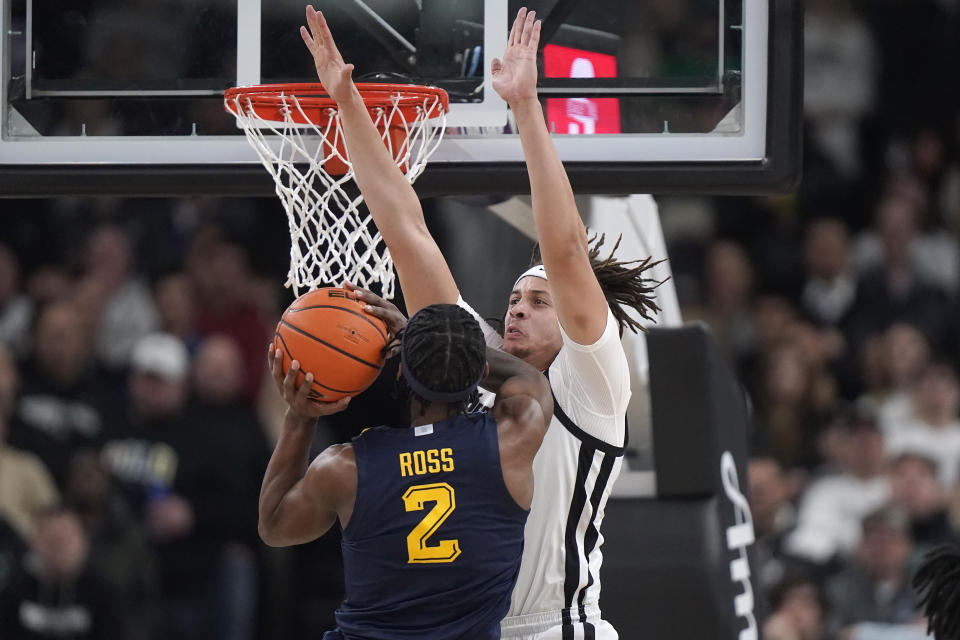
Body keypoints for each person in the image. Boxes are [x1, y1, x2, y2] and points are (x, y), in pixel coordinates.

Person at [300, 7, 660, 637]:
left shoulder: (594, 383)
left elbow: (567, 250)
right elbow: (406, 229)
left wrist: (525, 105)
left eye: (539, 301)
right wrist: (344, 99)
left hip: (561, 628)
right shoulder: (479, 364)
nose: (518, 307)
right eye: (515, 299)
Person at [258, 301, 553, 639]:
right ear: (483, 373)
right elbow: (528, 377)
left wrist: (300, 417)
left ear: (399, 372)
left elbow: (274, 525)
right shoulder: (512, 441)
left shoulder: (345, 468)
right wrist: (420, 334)